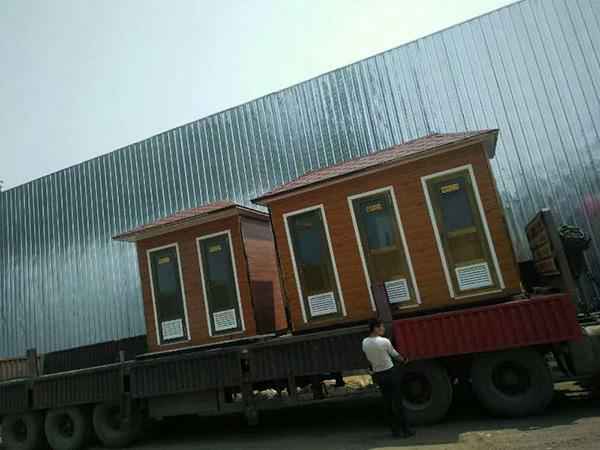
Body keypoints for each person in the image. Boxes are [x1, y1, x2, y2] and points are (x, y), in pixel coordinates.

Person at [362, 318, 415, 438]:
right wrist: (405, 360)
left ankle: (395, 431)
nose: (383, 329)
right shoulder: (384, 341)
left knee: (387, 403)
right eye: (381, 327)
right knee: (398, 402)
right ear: (375, 328)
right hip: (390, 373)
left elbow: (368, 358)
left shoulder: (364, 342)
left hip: (378, 375)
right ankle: (406, 430)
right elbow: (395, 355)